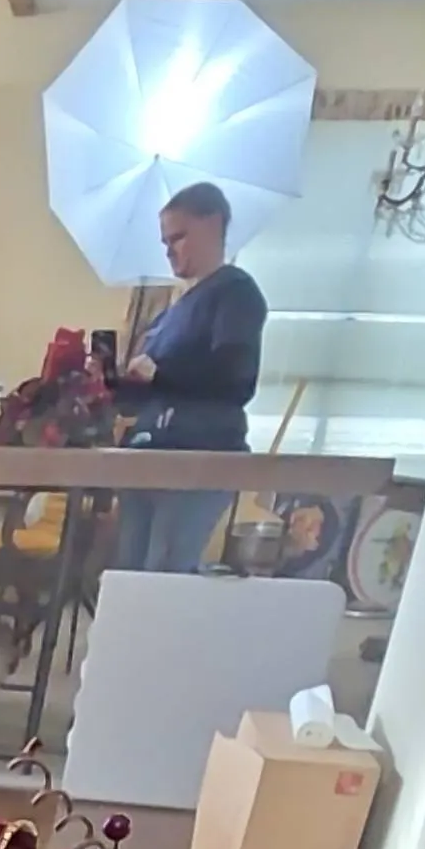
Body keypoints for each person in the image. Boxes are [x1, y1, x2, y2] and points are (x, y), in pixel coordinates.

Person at [112, 181, 266, 574]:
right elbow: (154, 393)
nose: (169, 251)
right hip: (151, 456)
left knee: (164, 571)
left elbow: (236, 378)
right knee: (129, 572)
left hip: (200, 455)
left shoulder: (236, 292)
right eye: (165, 242)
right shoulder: (170, 314)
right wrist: (113, 383)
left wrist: (160, 372)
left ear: (212, 225)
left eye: (178, 237)